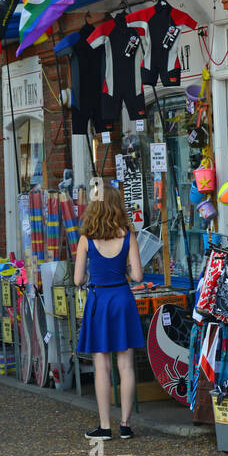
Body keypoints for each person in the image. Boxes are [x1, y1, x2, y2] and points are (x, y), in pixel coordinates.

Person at [74, 181, 145, 442]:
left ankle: (105, 427)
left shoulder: (86, 239)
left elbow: (77, 279)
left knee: (101, 365)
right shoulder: (128, 234)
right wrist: (122, 270)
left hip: (98, 300)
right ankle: (126, 425)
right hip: (122, 298)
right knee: (125, 365)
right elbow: (137, 275)